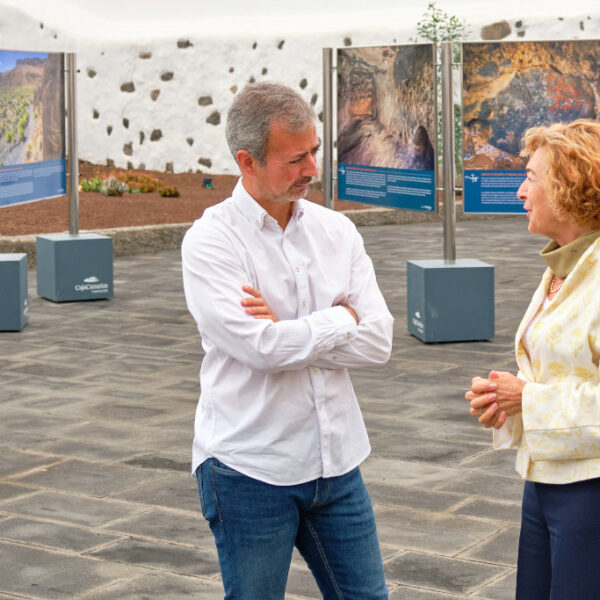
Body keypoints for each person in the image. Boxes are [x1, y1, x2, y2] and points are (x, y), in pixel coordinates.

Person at [181, 82, 393, 599]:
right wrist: (341, 316)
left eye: (315, 151)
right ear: (247, 161)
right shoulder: (211, 242)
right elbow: (261, 349)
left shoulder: (337, 231)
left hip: (338, 462)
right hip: (250, 469)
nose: (312, 169)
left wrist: (291, 329)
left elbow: (379, 341)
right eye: (296, 158)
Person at [465, 119, 600, 599]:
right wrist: (510, 402)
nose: (521, 191)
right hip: (546, 479)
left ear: (570, 185)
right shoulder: (563, 265)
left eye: (531, 177)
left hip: (590, 489)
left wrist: (529, 398)